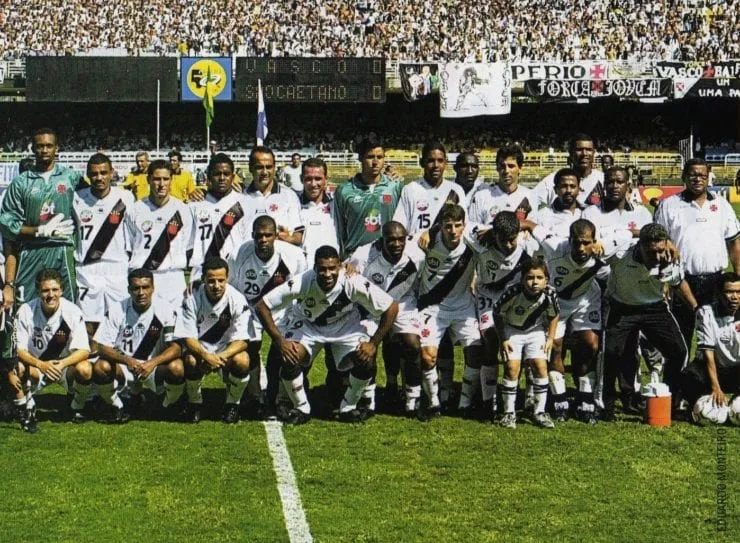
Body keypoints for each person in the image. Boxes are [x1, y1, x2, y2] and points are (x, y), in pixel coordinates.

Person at [254, 245, 399, 424]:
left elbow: (391, 307)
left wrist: (373, 344)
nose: (328, 274)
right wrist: (280, 341)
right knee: (290, 357)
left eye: (332, 268)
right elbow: (262, 306)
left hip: (345, 328)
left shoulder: (352, 281)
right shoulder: (302, 281)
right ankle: (301, 408)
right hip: (308, 326)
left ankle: (349, 406)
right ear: (315, 268)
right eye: (322, 269)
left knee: (366, 359)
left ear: (339, 266)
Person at [599, 224, 696, 419]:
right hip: (622, 307)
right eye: (652, 252)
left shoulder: (670, 258)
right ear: (640, 245)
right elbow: (597, 250)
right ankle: (606, 404)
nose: (658, 257)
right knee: (611, 353)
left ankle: (669, 398)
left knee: (678, 351)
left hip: (654, 308)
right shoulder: (620, 253)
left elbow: (678, 283)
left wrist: (695, 308)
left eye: (661, 250)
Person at [654, 157, 740, 348]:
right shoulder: (668, 205)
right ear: (684, 177)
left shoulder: (722, 205)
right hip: (681, 281)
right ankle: (680, 369)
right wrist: (663, 281)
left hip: (716, 282)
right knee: (680, 339)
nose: (698, 179)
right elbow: (658, 245)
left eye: (702, 175)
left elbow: (734, 242)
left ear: (708, 177)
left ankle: (712, 368)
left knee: (718, 337)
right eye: (693, 175)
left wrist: (738, 275)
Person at [226, 215, 307, 415]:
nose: (263, 240)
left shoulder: (294, 256)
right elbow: (231, 290)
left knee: (283, 353)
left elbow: (302, 289)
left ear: (276, 236)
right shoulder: (238, 255)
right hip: (251, 311)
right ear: (252, 235)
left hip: (283, 311)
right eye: (259, 236)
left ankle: (281, 398)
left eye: (268, 235)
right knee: (250, 349)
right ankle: (254, 397)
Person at [531, 219, 608, 424]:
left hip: (586, 299)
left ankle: (585, 398)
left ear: (594, 241)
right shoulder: (554, 245)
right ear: (569, 240)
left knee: (591, 344)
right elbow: (529, 225)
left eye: (586, 243)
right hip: (558, 301)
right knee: (554, 347)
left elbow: (632, 236)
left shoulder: (606, 247)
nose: (581, 248)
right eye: (577, 242)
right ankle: (560, 399)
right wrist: (490, 230)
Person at [346, 221, 425, 417]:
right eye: (391, 240)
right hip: (371, 308)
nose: (397, 244)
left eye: (401, 239)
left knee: (413, 344)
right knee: (364, 349)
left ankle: (412, 400)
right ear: (382, 240)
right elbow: (348, 274)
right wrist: (347, 267)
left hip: (403, 303)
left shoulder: (417, 255)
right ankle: (368, 401)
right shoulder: (363, 255)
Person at [466, 211, 538, 421]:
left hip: (515, 301)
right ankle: (488, 402)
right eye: (503, 239)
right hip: (488, 299)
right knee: (490, 340)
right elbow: (462, 226)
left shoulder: (529, 246)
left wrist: (525, 225)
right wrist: (488, 230)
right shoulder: (481, 240)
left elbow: (548, 236)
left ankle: (528, 401)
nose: (508, 245)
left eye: (512, 239)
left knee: (521, 347)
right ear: (494, 234)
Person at [416, 204, 484, 419]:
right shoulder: (427, 241)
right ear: (440, 226)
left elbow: (497, 230)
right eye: (447, 226)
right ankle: (434, 402)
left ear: (464, 225)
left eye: (457, 225)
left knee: (475, 353)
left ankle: (464, 403)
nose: (453, 231)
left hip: (464, 307)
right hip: (432, 307)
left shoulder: (472, 239)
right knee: (428, 357)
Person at [1, 128, 81, 306]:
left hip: (62, 249)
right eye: (40, 146)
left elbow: (94, 197)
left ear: (57, 148)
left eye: (49, 146)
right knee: (26, 308)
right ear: (33, 149)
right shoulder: (21, 182)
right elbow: (7, 224)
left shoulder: (71, 177)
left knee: (66, 308)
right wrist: (38, 230)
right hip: (31, 251)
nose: (44, 150)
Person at [92, 269, 183, 422]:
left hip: (153, 367)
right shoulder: (117, 309)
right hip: (125, 366)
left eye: (145, 287)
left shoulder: (165, 309)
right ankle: (116, 406)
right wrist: (128, 361)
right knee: (101, 367)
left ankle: (167, 405)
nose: (141, 293)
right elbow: (101, 347)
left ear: (153, 288)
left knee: (177, 368)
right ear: (129, 289)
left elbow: (176, 347)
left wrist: (152, 363)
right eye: (136, 288)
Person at [173, 257, 255, 424]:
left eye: (221, 280)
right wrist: (206, 355)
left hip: (225, 350)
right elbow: (187, 337)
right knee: (190, 360)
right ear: (203, 279)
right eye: (211, 281)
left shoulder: (237, 299)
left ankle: (232, 404)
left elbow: (243, 340)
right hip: (200, 349)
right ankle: (194, 403)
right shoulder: (191, 298)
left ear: (227, 278)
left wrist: (219, 357)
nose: (216, 285)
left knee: (243, 360)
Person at [14, 269, 92, 431]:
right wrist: (41, 365)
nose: (51, 295)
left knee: (85, 369)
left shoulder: (72, 311)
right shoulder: (26, 311)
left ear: (61, 290)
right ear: (38, 291)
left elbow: (84, 350)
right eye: (45, 290)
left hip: (62, 367)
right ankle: (29, 407)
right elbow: (19, 350)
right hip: (37, 367)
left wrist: (62, 364)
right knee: (18, 368)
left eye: (55, 290)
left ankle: (76, 407)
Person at [493, 257, 560, 429]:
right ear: (522, 279)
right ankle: (509, 414)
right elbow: (497, 313)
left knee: (540, 366)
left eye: (539, 278)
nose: (534, 282)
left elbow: (554, 315)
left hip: (535, 331)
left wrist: (550, 338)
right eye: (530, 278)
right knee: (512, 368)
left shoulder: (550, 294)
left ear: (546, 280)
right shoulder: (513, 292)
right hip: (512, 330)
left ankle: (539, 412)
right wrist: (503, 339)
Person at [73, 153, 135, 337]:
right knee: (87, 322)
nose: (99, 177)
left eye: (103, 173)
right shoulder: (76, 199)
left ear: (112, 173)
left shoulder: (126, 197)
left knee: (119, 319)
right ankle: (90, 355)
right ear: (87, 175)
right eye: (94, 174)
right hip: (87, 269)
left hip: (117, 267)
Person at [125, 160, 194, 308]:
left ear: (171, 180)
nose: (161, 184)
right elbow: (129, 248)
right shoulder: (134, 210)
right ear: (148, 179)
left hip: (173, 278)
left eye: (165, 179)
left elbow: (188, 247)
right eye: (156, 179)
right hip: (143, 279)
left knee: (175, 322)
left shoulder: (183, 210)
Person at [332, 135, 403, 259]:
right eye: (370, 157)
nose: (375, 162)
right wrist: (342, 258)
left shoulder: (395, 186)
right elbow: (339, 230)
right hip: (355, 258)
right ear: (360, 158)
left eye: (379, 157)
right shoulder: (344, 190)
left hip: (386, 256)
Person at [682, 272, 740, 412]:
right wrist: (715, 387)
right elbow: (708, 355)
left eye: (738, 292)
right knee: (690, 376)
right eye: (729, 292)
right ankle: (698, 401)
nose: (735, 297)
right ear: (718, 294)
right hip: (712, 370)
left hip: (736, 370)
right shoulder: (706, 313)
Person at [188, 153, 250, 280]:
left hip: (234, 273)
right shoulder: (194, 205)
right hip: (202, 273)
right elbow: (187, 245)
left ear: (233, 177)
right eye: (217, 174)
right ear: (209, 176)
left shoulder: (245, 204)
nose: (222, 178)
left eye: (226, 174)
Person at [393, 141, 465, 234]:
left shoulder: (456, 190)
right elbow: (400, 225)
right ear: (422, 163)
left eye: (440, 160)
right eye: (431, 161)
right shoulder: (410, 189)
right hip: (416, 242)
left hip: (445, 243)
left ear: (446, 162)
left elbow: (463, 224)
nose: (436, 165)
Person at [582, 166, 653, 254]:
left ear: (627, 186)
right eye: (610, 182)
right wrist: (631, 233)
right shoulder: (590, 213)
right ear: (604, 185)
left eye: (620, 182)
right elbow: (589, 247)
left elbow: (650, 243)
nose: (615, 186)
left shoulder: (643, 213)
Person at [243, 146, 303, 247]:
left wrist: (287, 239)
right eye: (259, 167)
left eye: (269, 167)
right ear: (250, 168)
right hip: (249, 255)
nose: (265, 172)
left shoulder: (289, 196)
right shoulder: (241, 197)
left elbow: (298, 238)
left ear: (274, 168)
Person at [530, 133, 604, 209]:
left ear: (594, 153)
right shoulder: (553, 180)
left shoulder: (603, 180)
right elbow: (531, 202)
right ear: (571, 153)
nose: (584, 154)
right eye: (579, 150)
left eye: (588, 150)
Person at [468, 144, 534, 226]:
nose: (506, 171)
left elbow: (536, 228)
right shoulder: (481, 197)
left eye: (511, 166)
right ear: (497, 168)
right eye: (502, 166)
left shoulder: (531, 197)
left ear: (520, 169)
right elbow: (471, 229)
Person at [298, 157, 339, 269]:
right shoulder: (293, 205)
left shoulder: (336, 205)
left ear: (326, 179)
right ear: (301, 179)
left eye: (318, 179)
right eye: (308, 179)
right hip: (301, 271)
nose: (313, 184)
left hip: (330, 271)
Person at [524, 168, 585, 241]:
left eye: (572, 186)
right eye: (564, 186)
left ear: (579, 189)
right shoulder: (542, 217)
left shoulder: (587, 214)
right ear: (555, 189)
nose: (568, 190)